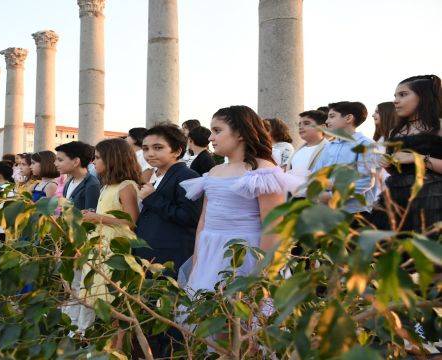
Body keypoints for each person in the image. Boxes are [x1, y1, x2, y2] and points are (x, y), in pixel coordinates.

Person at [179, 105, 295, 293]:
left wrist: (262, 275)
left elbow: (273, 227)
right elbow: (203, 221)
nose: (210, 138)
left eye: (217, 131)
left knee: (244, 317)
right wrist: (197, 261)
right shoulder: (214, 171)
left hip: (245, 255)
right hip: (209, 254)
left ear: (240, 133)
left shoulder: (262, 171)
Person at [65, 138, 141, 333]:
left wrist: (98, 217)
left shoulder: (126, 186)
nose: (93, 162)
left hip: (115, 250)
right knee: (92, 295)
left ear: (112, 159)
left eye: (98, 158)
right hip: (100, 247)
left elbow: (131, 222)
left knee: (109, 300)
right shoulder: (107, 186)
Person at [372, 75, 442, 232]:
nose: (396, 101)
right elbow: (397, 171)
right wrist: (389, 164)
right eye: (395, 96)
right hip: (396, 201)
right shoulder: (394, 132)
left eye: (403, 95)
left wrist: (417, 158)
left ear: (423, 97)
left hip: (432, 201)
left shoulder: (439, 127)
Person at [135, 123, 202, 273]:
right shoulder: (155, 175)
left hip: (169, 259)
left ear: (177, 151)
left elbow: (190, 218)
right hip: (149, 256)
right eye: (145, 148)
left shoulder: (187, 177)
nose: (150, 154)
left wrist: (152, 198)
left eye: (158, 148)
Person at [312, 101, 378, 214]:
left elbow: (366, 181)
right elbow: (316, 174)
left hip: (354, 213)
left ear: (348, 118)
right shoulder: (329, 146)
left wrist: (332, 196)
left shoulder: (365, 144)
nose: (327, 121)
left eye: (332, 116)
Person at [55, 141, 100, 210]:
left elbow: (90, 217)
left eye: (60, 160)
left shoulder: (91, 184)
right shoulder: (69, 182)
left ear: (76, 162)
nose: (55, 163)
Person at [287, 110, 329, 175]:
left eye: (306, 123)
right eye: (299, 124)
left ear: (322, 127)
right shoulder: (298, 150)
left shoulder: (329, 149)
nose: (301, 127)